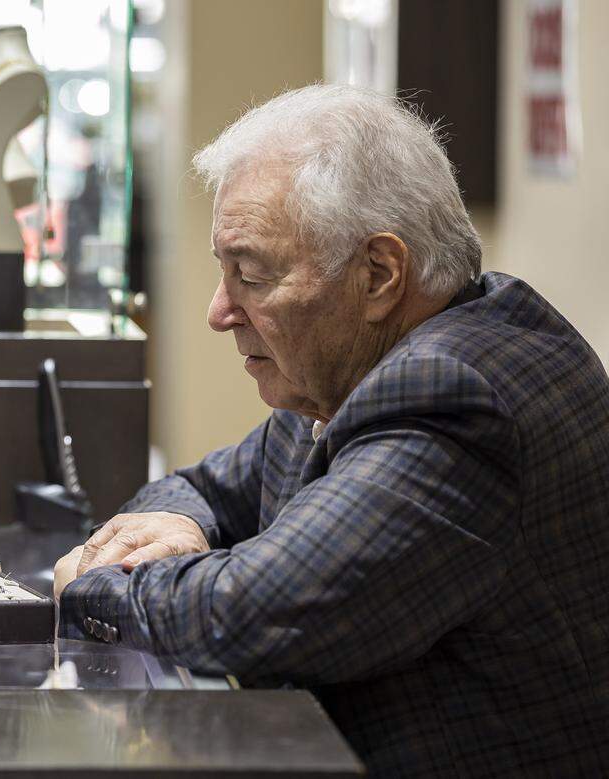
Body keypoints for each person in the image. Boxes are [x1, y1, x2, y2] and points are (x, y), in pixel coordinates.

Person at [53, 85, 609, 777]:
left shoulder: (451, 398)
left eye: (250, 275)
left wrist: (94, 585)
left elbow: (254, 612)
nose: (219, 312)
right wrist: (177, 526)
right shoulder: (351, 376)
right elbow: (204, 488)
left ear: (378, 274)